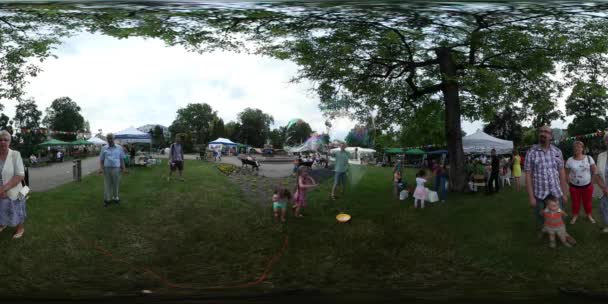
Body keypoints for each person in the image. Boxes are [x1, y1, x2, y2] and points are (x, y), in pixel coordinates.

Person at [525, 126, 570, 237]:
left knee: (558, 215)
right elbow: (528, 176)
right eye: (541, 131)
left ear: (551, 136)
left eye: (546, 132)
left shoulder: (557, 151)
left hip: (556, 191)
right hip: (539, 193)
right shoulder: (531, 152)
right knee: (540, 215)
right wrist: (531, 197)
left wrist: (565, 193)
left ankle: (562, 233)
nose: (543, 133)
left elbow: (562, 173)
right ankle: (546, 229)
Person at [0, 130, 27, 239]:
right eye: (0, 140)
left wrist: (3, 189)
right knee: (2, 209)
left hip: (14, 190)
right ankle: (3, 223)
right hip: (0, 192)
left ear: (9, 142)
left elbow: (20, 175)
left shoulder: (15, 155)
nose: (2, 142)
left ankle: (20, 228)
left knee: (17, 210)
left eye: (5, 140)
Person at [565, 141, 596, 225]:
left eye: (579, 147)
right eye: (575, 147)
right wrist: (569, 183)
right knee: (575, 202)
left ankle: (589, 215)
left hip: (587, 186)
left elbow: (594, 171)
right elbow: (566, 173)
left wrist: (592, 183)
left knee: (588, 202)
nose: (577, 148)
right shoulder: (569, 160)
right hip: (574, 187)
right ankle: (575, 215)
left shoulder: (589, 158)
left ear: (583, 148)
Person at [99, 133, 128, 207]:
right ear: (107, 139)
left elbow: (121, 159)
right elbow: (101, 160)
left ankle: (116, 197)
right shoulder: (104, 148)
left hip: (116, 169)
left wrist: (124, 168)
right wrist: (101, 168)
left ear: (113, 139)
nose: (110, 140)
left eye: (111, 138)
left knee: (116, 183)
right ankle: (107, 199)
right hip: (107, 169)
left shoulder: (119, 148)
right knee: (107, 184)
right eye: (108, 138)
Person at [594, 133, 608, 233]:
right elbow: (597, 174)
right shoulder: (601, 156)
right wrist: (605, 188)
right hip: (604, 189)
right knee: (605, 209)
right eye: (607, 140)